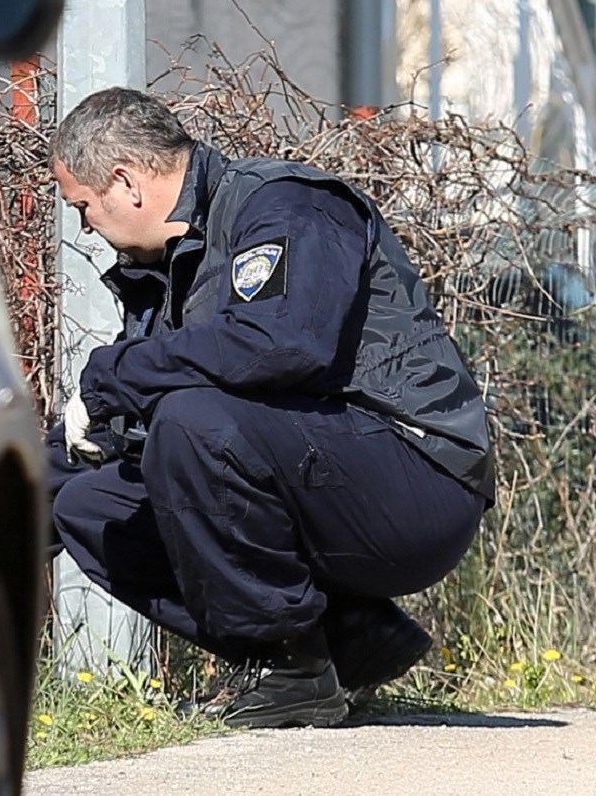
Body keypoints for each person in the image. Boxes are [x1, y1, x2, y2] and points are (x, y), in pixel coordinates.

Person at [46, 87, 496, 729]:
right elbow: (113, 427)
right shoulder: (170, 269)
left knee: (190, 423)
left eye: (84, 208)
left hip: (418, 477)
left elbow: (285, 342)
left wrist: (114, 371)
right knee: (89, 507)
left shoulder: (286, 206)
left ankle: (287, 669)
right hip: (326, 475)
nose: (87, 227)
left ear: (126, 182)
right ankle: (349, 639)